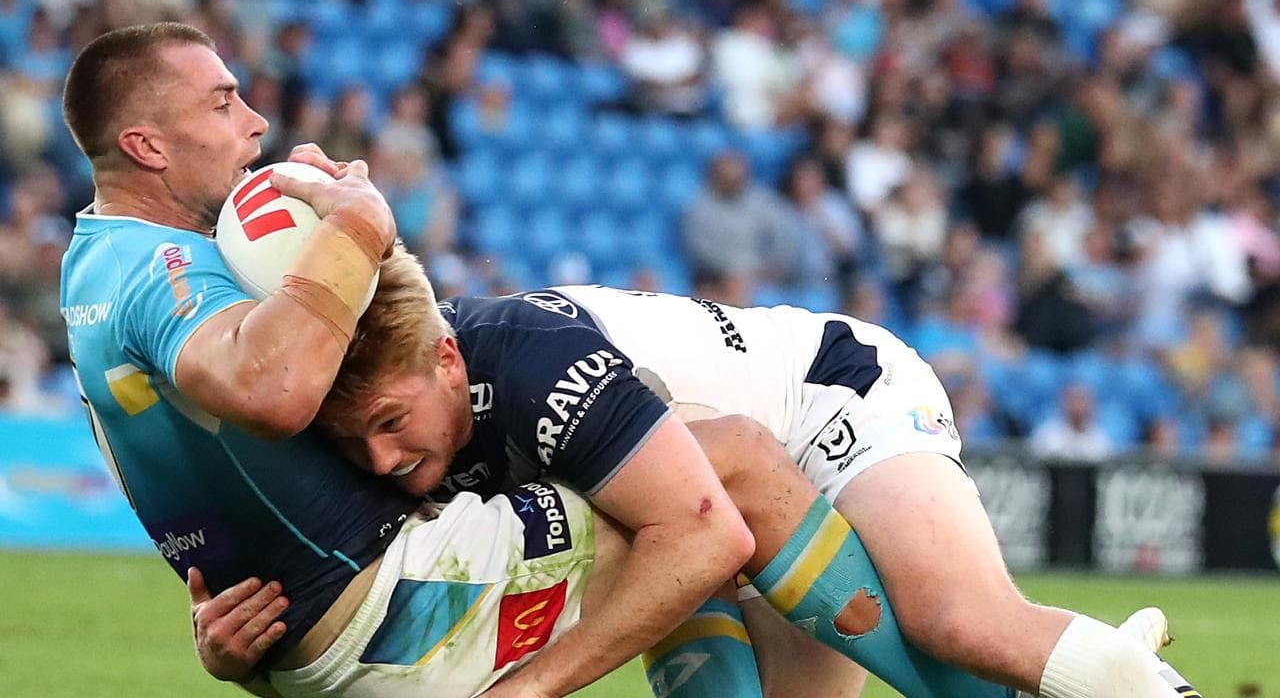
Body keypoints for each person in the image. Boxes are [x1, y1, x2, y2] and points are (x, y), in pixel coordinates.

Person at [58, 22, 759, 698]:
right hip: (396, 611)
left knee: (677, 491)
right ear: (147, 146)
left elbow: (197, 461)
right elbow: (272, 389)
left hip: (316, 636)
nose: (254, 122)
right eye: (221, 103)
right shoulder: (165, 269)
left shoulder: (97, 265)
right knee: (728, 466)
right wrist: (360, 223)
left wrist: (231, 638)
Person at [197, 260, 1200, 698]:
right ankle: (1104, 672)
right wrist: (242, 654)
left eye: (386, 425)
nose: (378, 461)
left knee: (956, 623)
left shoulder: (529, 363)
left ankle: (1135, 686)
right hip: (709, 496)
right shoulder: (402, 425)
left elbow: (707, 524)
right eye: (351, 440)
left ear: (448, 363)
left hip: (825, 399)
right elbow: (369, 602)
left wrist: (537, 687)